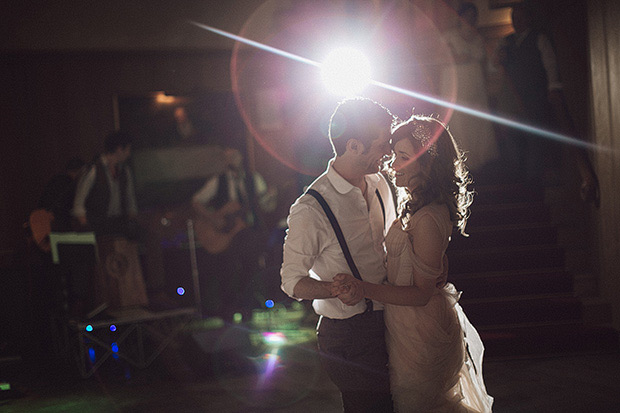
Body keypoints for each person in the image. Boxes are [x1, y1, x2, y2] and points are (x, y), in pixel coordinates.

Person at [331, 115, 493, 412]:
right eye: (394, 155)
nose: (392, 165)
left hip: (420, 331)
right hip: (403, 323)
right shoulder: (415, 205)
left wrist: (362, 288)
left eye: (403, 157)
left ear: (428, 165)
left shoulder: (429, 217)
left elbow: (420, 294)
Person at [280, 97, 396, 412]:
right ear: (354, 146)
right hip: (349, 334)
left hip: (392, 319)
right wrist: (333, 288)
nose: (389, 152)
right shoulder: (312, 207)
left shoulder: (380, 183)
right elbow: (291, 281)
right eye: (382, 144)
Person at [496, 3, 599, 203]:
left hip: (534, 94)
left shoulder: (539, 38)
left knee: (535, 134)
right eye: (514, 18)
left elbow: (550, 63)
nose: (517, 21)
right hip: (511, 98)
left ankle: (533, 179)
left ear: (528, 19)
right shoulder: (506, 42)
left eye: (521, 17)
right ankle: (518, 176)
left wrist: (553, 86)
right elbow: (495, 66)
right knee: (513, 136)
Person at [192, 146, 276, 319]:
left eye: (234, 156)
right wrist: (213, 217)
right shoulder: (219, 181)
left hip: (248, 233)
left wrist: (270, 197)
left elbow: (266, 205)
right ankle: (228, 309)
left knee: (251, 264)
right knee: (227, 270)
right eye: (227, 157)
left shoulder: (253, 179)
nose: (231, 160)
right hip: (227, 236)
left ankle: (247, 308)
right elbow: (197, 200)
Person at [439, 1, 499, 173]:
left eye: (474, 16)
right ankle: (463, 162)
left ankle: (480, 162)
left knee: (476, 120)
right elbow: (444, 59)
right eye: (467, 15)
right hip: (458, 85)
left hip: (475, 84)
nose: (470, 19)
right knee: (460, 120)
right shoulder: (450, 36)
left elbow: (486, 63)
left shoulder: (478, 38)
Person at [73, 130, 139, 237]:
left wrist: (132, 222)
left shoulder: (125, 171)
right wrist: (86, 227)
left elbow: (131, 201)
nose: (128, 154)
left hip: (119, 225)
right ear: (119, 149)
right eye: (127, 149)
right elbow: (78, 204)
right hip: (97, 226)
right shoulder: (93, 169)